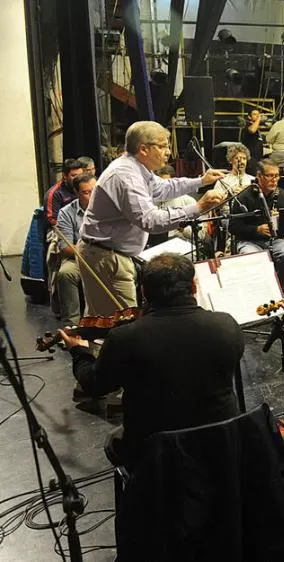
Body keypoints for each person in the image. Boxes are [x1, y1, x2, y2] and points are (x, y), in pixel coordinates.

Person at [57, 253, 244, 469]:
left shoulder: (125, 338)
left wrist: (80, 352)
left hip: (156, 451)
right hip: (220, 441)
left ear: (144, 292)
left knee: (115, 440)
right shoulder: (227, 325)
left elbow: (94, 385)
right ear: (194, 286)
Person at [77, 121, 225, 315]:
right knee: (119, 324)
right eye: (162, 146)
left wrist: (201, 181)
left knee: (110, 319)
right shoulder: (126, 176)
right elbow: (150, 221)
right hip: (106, 257)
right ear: (144, 149)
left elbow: (162, 188)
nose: (168, 152)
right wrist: (198, 207)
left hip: (111, 253)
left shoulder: (138, 169)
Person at [229, 160, 284, 288]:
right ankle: (258, 291)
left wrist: (281, 221)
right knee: (253, 259)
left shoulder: (283, 196)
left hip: (275, 240)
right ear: (259, 176)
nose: (274, 180)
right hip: (249, 240)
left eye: (277, 175)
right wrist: (256, 229)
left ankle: (283, 289)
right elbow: (233, 227)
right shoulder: (244, 197)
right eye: (270, 176)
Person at [53, 174, 96, 323]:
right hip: (78, 257)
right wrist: (90, 253)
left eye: (95, 190)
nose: (92, 196)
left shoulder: (107, 208)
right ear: (76, 193)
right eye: (86, 192)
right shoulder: (66, 212)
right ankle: (72, 324)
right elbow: (66, 247)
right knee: (65, 273)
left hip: (105, 256)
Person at [45, 158, 87, 226]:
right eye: (74, 175)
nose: (78, 178)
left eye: (80, 175)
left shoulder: (86, 188)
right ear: (65, 176)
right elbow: (52, 220)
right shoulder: (55, 193)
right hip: (61, 228)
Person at [238, 108, 264, 175]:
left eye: (258, 115)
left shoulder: (257, 129)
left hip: (257, 159)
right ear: (249, 117)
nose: (257, 116)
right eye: (255, 114)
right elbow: (252, 130)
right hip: (250, 160)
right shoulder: (247, 126)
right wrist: (259, 119)